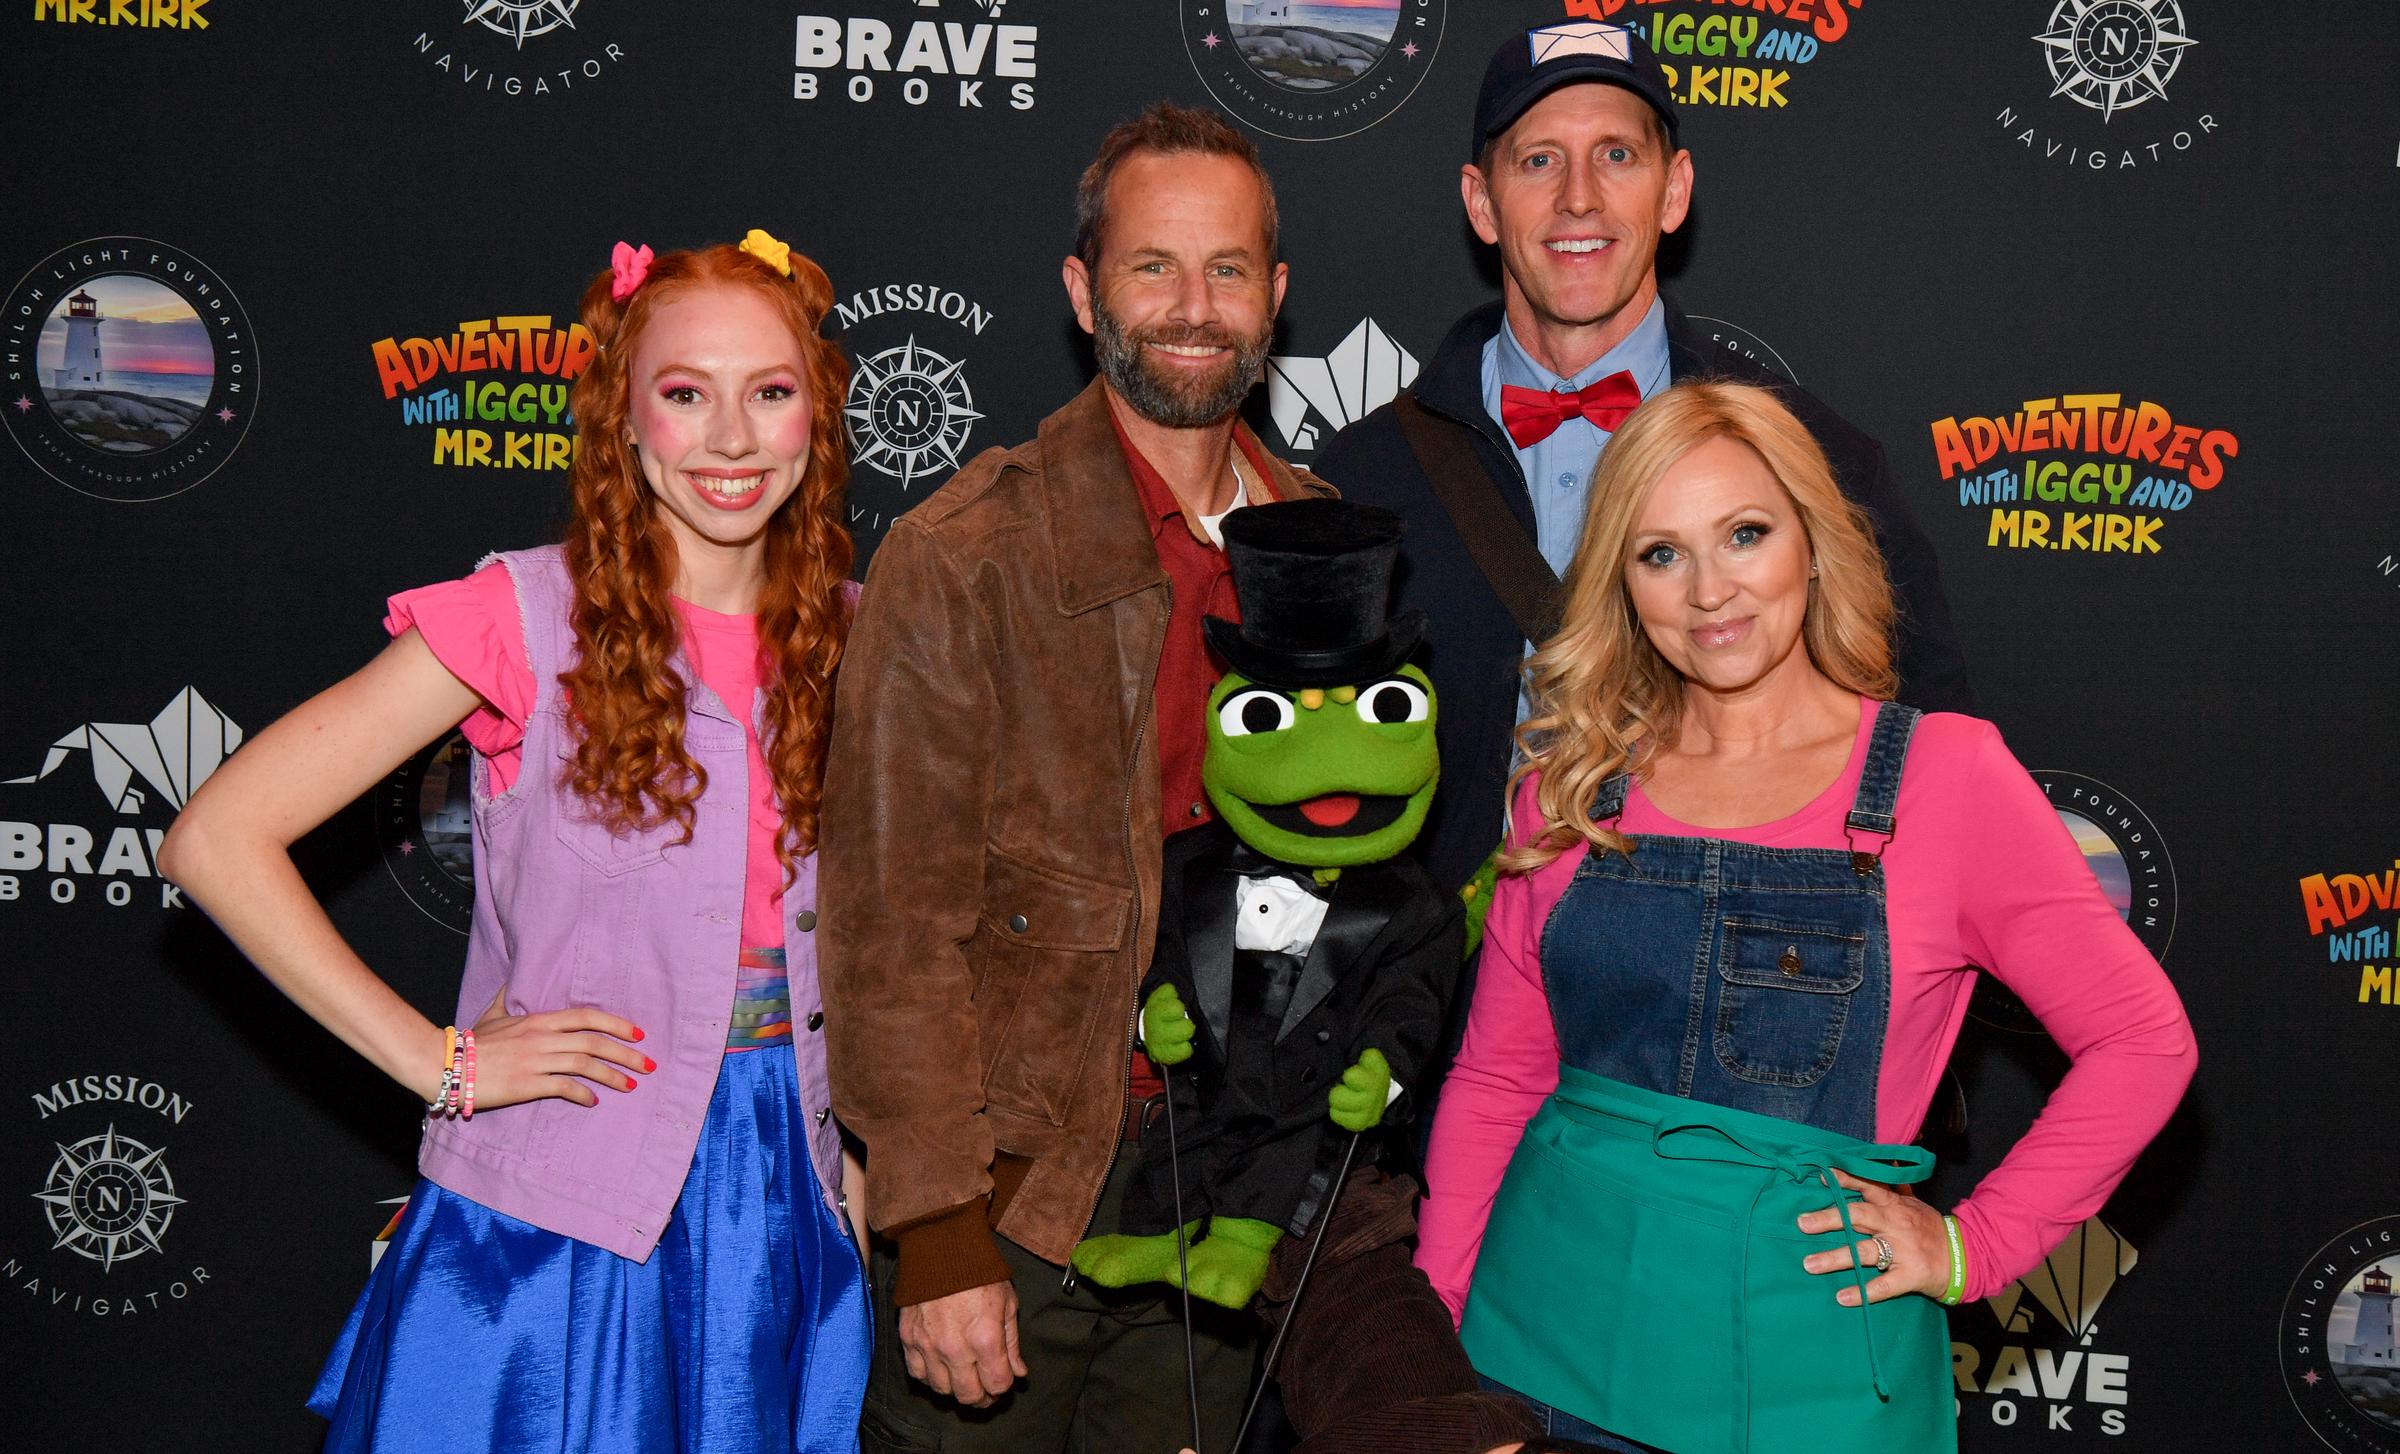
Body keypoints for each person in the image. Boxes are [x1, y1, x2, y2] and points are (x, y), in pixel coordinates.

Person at [159, 234, 871, 1452]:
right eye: (686, 393)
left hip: (788, 1188)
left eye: (772, 391)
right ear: (625, 417)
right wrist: (443, 1063)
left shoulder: (869, 634)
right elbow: (214, 837)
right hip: (559, 1208)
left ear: (819, 413)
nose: (733, 439)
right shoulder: (522, 613)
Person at [1412, 380, 2198, 1452]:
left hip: (1805, 1374)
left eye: (1744, 533)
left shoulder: (1945, 778)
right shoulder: (1566, 790)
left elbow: (2143, 1040)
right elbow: (1499, 1080)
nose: (1708, 591)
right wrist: (1439, 1343)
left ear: (1813, 543)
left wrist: (1976, 1246)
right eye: (1660, 553)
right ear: (1621, 584)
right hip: (1535, 1347)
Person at [817, 103, 1315, 1454]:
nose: (1193, 307)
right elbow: (889, 927)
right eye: (1154, 266)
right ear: (1085, 288)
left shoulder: (1329, 549)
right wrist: (933, 1231)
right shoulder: (965, 553)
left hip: (1227, 1204)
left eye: (1227, 270)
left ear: (1273, 296)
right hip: (1021, 1200)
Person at [1314, 20, 1973, 898]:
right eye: (1539, 159)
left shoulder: (1813, 461)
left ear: (1675, 189)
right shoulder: (1369, 477)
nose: (1579, 197)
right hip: (1442, 1003)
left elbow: (1924, 752)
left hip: (1718, 993)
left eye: (1618, 155)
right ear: (1482, 202)